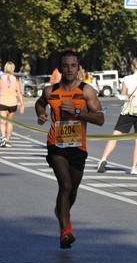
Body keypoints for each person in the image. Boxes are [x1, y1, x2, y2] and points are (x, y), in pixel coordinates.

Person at [35, 50, 104, 249]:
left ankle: (62, 213)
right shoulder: (50, 91)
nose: (70, 69)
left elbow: (99, 119)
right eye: (66, 66)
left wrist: (77, 112)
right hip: (55, 144)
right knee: (64, 185)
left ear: (78, 68)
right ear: (60, 68)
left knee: (72, 189)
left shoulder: (86, 91)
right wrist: (41, 115)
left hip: (78, 146)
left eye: (74, 66)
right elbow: (40, 105)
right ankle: (65, 231)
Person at [97, 57, 137, 175]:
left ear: (132, 66)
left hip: (128, 111)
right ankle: (134, 168)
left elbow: (123, 95)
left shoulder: (127, 79)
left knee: (115, 136)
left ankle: (103, 159)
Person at [0, 61, 25, 147]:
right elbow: (19, 93)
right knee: (10, 121)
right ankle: (8, 140)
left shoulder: (1, 78)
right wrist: (22, 105)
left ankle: (3, 137)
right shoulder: (15, 79)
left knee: (2, 121)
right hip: (13, 102)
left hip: (3, 101)